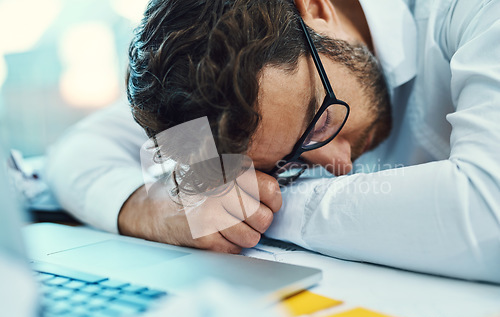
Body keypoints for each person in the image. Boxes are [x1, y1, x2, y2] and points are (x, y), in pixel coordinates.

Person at [46, 0, 500, 283]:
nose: (336, 161)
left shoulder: (475, 12)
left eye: (320, 121)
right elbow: (79, 149)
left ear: (317, 8)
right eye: (281, 165)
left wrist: (261, 207)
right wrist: (152, 208)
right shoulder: (207, 88)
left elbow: (488, 211)